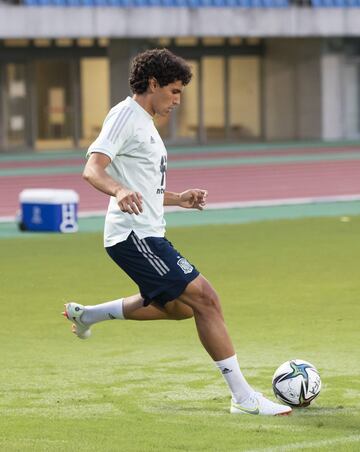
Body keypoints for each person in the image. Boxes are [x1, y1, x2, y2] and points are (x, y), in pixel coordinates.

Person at [63, 48, 291, 416]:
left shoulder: (146, 125)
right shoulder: (125, 115)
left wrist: (178, 198)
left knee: (182, 309)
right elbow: (92, 169)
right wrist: (118, 191)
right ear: (152, 84)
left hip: (148, 233)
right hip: (133, 236)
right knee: (207, 299)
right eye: (173, 91)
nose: (177, 100)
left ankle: (88, 315)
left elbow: (142, 186)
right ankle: (243, 398)